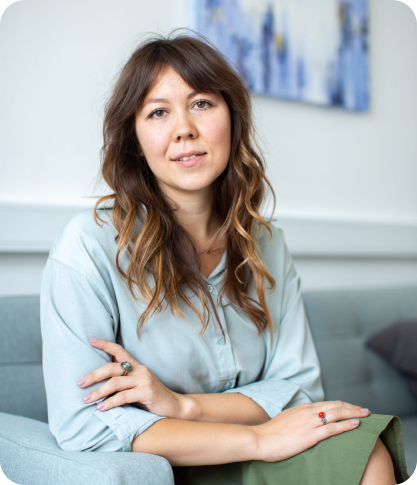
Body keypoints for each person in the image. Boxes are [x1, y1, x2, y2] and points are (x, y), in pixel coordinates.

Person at [40, 31, 409, 484]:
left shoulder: (267, 243)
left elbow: (299, 389)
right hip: (165, 462)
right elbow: (84, 426)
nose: (184, 129)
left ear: (232, 119)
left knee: (365, 448)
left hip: (261, 447)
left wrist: (184, 405)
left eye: (201, 103)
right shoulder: (88, 245)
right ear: (134, 138)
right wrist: (258, 440)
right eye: (158, 112)